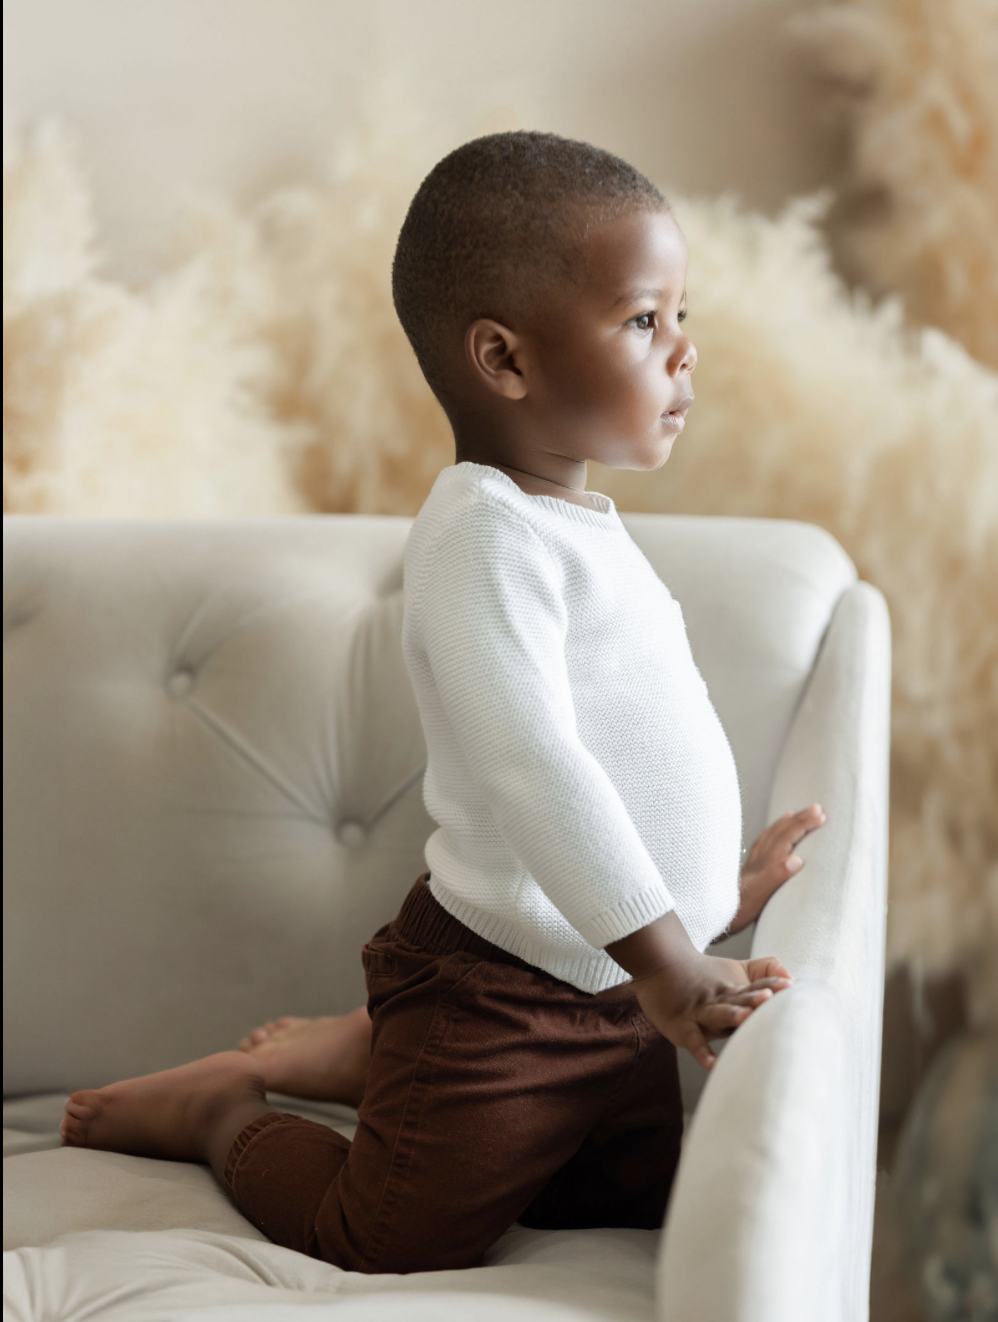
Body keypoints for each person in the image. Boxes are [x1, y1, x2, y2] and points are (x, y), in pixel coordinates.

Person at [61, 131, 826, 1274]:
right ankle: (224, 1107)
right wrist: (671, 961)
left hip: (619, 977)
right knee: (381, 1235)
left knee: (624, 1207)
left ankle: (361, 1051)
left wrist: (708, 892)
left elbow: (645, 730)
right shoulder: (480, 538)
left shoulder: (577, 523)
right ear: (504, 362)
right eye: (641, 320)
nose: (682, 351)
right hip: (505, 996)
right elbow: (534, 767)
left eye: (679, 315)